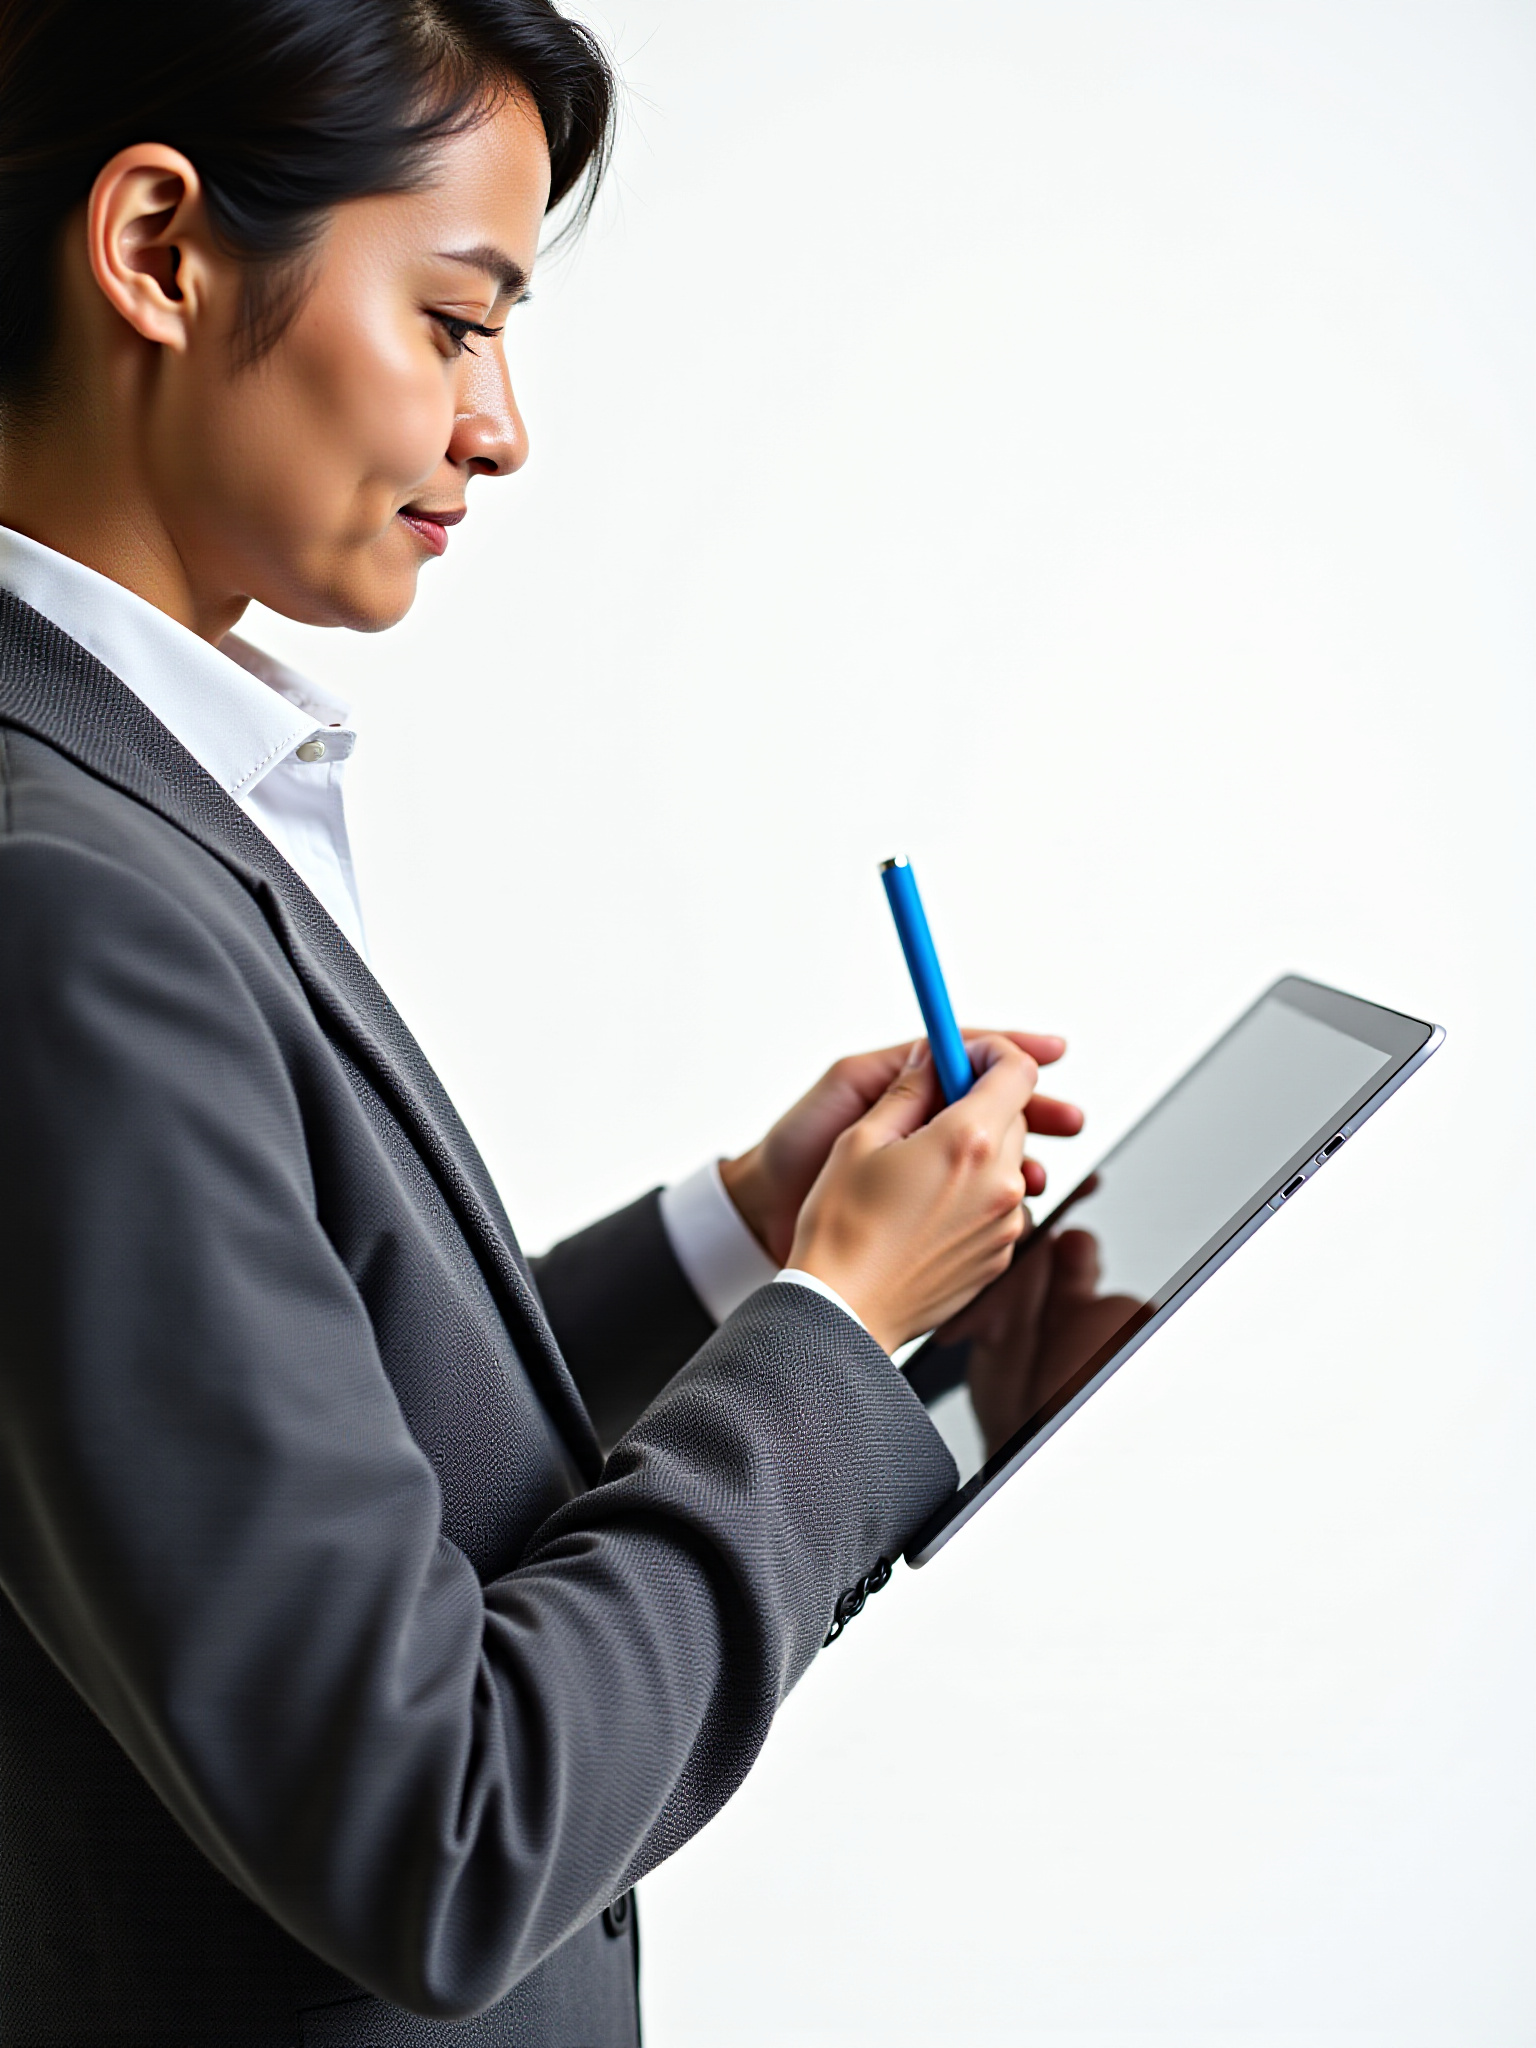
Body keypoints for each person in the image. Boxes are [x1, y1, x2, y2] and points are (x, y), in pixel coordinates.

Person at [0, 3, 1085, 2042]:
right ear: (155, 251)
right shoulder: (65, 903)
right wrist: (833, 1335)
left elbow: (306, 1465)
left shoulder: (128, 796)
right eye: (451, 317)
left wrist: (744, 1237)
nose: (502, 427)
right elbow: (436, 1823)